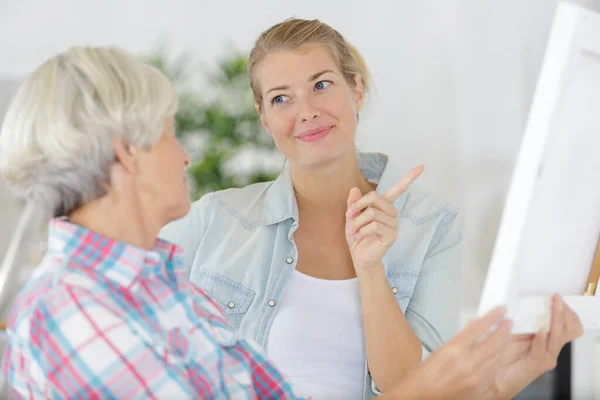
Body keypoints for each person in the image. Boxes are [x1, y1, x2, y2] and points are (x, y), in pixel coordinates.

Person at [0, 46, 581, 400]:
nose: (185, 156)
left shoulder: (165, 283)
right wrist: (439, 387)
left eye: (323, 85)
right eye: (172, 132)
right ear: (127, 153)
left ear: (358, 90)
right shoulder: (69, 311)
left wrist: (484, 387)